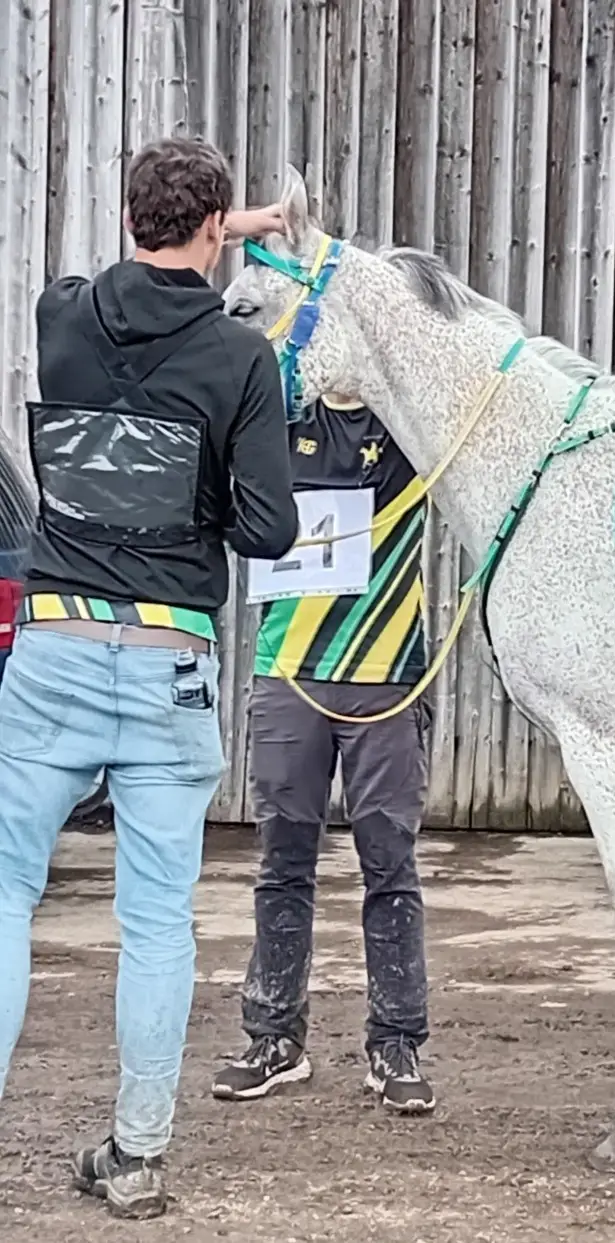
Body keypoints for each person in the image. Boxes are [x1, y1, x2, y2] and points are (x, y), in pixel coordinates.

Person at [0, 136, 299, 1219]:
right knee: (158, 918)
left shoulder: (61, 318)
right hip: (169, 657)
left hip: (54, 647)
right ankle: (135, 1154)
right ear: (216, 228)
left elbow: (108, 282)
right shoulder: (240, 358)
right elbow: (269, 529)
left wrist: (212, 225)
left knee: (6, 891)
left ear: (129, 217)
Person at [211, 389, 436, 1115]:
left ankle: (395, 1043)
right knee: (282, 861)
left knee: (390, 865)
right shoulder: (275, 417)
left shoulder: (412, 426)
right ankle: (274, 1038)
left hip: (388, 677)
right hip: (287, 673)